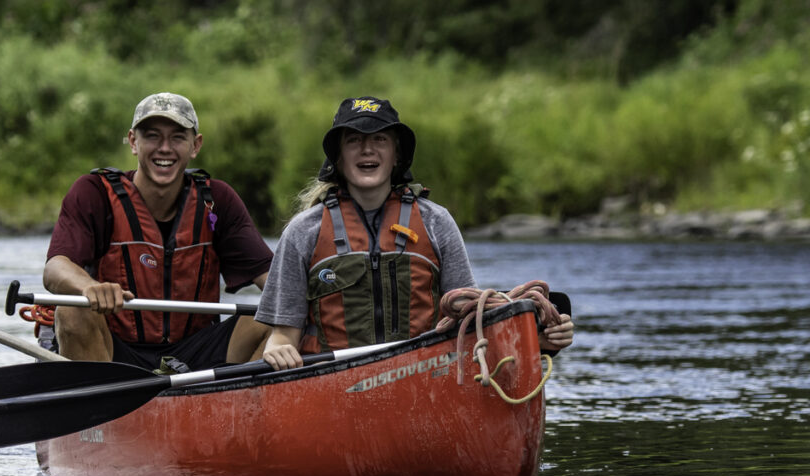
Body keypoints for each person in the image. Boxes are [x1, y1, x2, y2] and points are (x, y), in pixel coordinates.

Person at [257, 96, 574, 370]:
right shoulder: (304, 231)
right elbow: (284, 335)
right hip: (332, 384)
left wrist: (543, 340)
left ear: (396, 155)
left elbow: (466, 318)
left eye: (379, 139)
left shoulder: (437, 223)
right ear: (338, 158)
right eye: (353, 140)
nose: (367, 149)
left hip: (423, 376)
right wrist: (277, 349)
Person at [44, 92, 274, 370]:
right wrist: (89, 287)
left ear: (195, 145)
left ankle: (242, 406)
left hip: (197, 352)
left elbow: (275, 282)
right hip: (116, 351)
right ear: (133, 142)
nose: (164, 148)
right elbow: (55, 268)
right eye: (152, 136)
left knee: (277, 317)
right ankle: (102, 405)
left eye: (177, 137)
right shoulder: (93, 193)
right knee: (72, 308)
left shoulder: (217, 200)